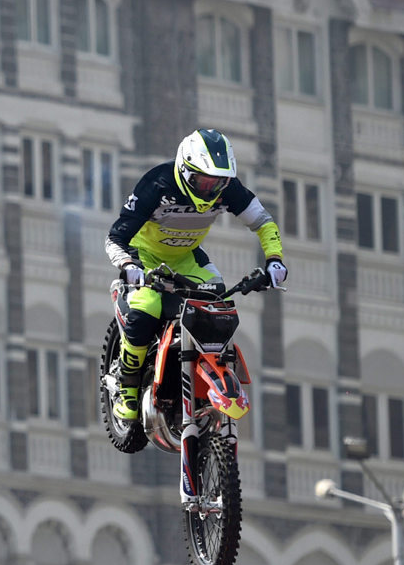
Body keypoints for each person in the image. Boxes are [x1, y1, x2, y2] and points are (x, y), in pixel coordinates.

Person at [105, 128, 286, 419]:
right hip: (146, 256)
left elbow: (263, 222)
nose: (210, 189)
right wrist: (128, 266)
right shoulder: (155, 183)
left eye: (218, 182)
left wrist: (275, 260)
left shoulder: (230, 189)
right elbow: (115, 237)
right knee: (146, 306)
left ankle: (202, 372)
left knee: (218, 304)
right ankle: (128, 384)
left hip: (187, 258)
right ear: (186, 170)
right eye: (203, 180)